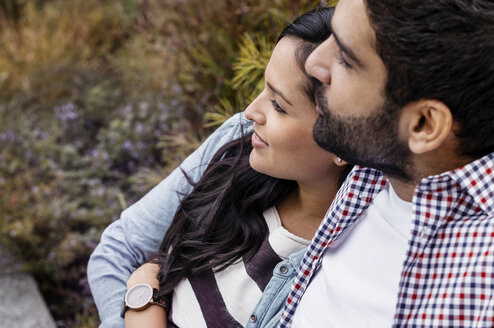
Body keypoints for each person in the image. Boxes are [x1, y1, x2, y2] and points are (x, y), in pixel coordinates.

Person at [88, 7, 349, 328]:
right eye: (263, 88)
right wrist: (144, 300)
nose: (251, 111)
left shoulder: (339, 267)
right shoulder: (238, 144)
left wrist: (146, 291)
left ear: (343, 142)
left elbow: (146, 268)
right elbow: (119, 248)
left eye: (279, 105)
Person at [274, 0, 494, 327]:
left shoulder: (480, 284)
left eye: (346, 59)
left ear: (423, 125)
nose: (314, 63)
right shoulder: (381, 158)